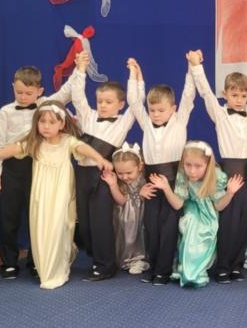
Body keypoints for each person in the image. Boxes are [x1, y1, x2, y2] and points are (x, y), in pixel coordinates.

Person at [0, 100, 113, 289]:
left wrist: (99, 158)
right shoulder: (35, 142)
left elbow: (82, 148)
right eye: (42, 121)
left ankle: (57, 268)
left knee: (60, 227)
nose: (46, 126)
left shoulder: (67, 141)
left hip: (61, 192)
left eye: (52, 122)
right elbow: (16, 147)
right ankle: (45, 269)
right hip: (40, 193)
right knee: (41, 228)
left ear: (62, 124)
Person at [191, 49, 247, 284]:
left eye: (244, 95)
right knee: (226, 222)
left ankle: (237, 265)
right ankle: (222, 266)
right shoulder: (220, 113)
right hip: (227, 173)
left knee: (242, 222)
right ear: (225, 94)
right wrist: (197, 66)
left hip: (246, 173)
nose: (239, 99)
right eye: (234, 94)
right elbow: (206, 93)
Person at [0, 65, 75, 280]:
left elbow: (66, 92)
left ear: (40, 91)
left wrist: (79, 68)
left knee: (38, 215)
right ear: (13, 87)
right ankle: (9, 262)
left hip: (38, 166)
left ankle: (37, 260)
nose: (23, 97)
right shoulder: (6, 111)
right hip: (12, 167)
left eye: (29, 93)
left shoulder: (45, 105)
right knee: (9, 217)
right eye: (19, 92)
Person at [127, 53, 198, 285]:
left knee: (169, 228)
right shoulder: (146, 123)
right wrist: (135, 76)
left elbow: (189, 94)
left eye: (161, 110)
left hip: (173, 181)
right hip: (151, 180)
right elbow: (134, 101)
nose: (156, 114)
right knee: (151, 226)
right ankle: (153, 266)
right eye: (152, 110)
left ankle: (164, 271)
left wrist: (191, 66)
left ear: (173, 109)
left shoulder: (180, 120)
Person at [70, 53, 134, 281]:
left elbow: (136, 103)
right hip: (82, 174)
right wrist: (80, 69)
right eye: (100, 102)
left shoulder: (123, 122)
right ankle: (96, 258)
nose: (103, 106)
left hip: (103, 176)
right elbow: (77, 96)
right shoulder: (88, 117)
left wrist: (134, 76)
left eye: (109, 102)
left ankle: (105, 265)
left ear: (120, 104)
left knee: (101, 222)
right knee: (85, 224)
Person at [149, 141, 243, 288]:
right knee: (190, 222)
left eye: (198, 166)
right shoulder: (182, 176)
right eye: (188, 165)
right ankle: (187, 271)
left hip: (208, 214)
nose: (192, 171)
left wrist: (230, 193)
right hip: (190, 211)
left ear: (208, 165)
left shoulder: (216, 176)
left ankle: (195, 270)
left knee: (203, 232)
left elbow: (218, 206)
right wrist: (166, 188)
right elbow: (178, 204)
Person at [101, 143, 149, 275]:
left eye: (129, 173)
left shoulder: (144, 180)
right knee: (123, 235)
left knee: (138, 236)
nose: (125, 177)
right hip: (122, 215)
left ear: (140, 166)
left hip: (139, 216)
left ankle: (139, 259)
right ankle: (125, 259)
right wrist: (113, 185)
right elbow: (121, 201)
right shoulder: (120, 182)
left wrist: (141, 195)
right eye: (120, 173)